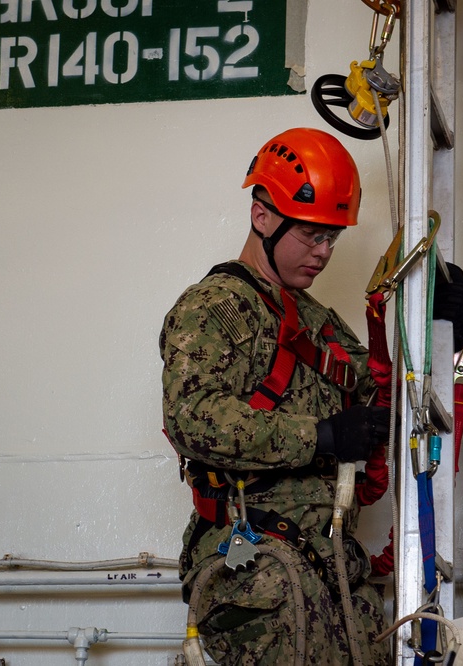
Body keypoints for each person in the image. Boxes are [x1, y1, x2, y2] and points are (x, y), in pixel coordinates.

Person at [160, 127, 394, 665]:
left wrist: (434, 323)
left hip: (332, 578)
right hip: (261, 579)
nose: (324, 252)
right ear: (262, 216)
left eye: (332, 238)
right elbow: (192, 419)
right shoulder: (216, 307)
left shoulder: (318, 321)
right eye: (312, 235)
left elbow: (385, 393)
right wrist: (322, 436)